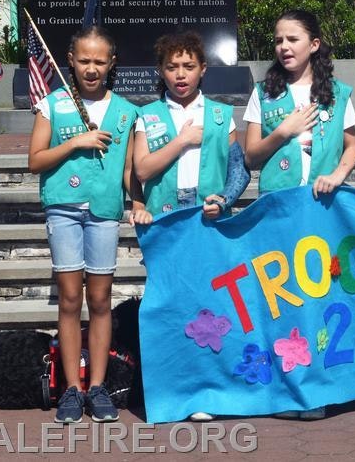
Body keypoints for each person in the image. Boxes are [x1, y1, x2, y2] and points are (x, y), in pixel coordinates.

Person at [28, 25, 152, 424]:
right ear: (71, 61)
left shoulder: (126, 111)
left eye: (100, 61)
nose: (92, 68)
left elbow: (130, 168)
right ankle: (71, 388)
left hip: (103, 211)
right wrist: (74, 143)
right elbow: (35, 160)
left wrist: (136, 199)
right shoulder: (54, 104)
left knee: (100, 299)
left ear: (112, 63)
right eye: (84, 60)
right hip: (63, 208)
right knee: (69, 298)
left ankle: (97, 386)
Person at [243, 9, 355, 420]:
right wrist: (285, 131)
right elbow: (252, 156)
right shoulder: (265, 93)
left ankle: (317, 387)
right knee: (283, 297)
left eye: (293, 39)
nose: (284, 47)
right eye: (278, 40)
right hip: (278, 208)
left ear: (313, 44)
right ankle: (286, 385)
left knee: (318, 294)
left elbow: (352, 146)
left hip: (322, 209)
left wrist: (338, 175)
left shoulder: (339, 93)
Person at [133, 30, 251, 423]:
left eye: (188, 66)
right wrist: (182, 141)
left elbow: (239, 170)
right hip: (167, 220)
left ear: (202, 69)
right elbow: (142, 169)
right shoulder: (147, 115)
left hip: (209, 217)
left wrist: (225, 199)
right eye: (172, 67)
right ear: (161, 71)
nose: (180, 74)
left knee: (214, 305)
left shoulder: (220, 114)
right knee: (172, 305)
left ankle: (213, 389)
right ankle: (176, 392)